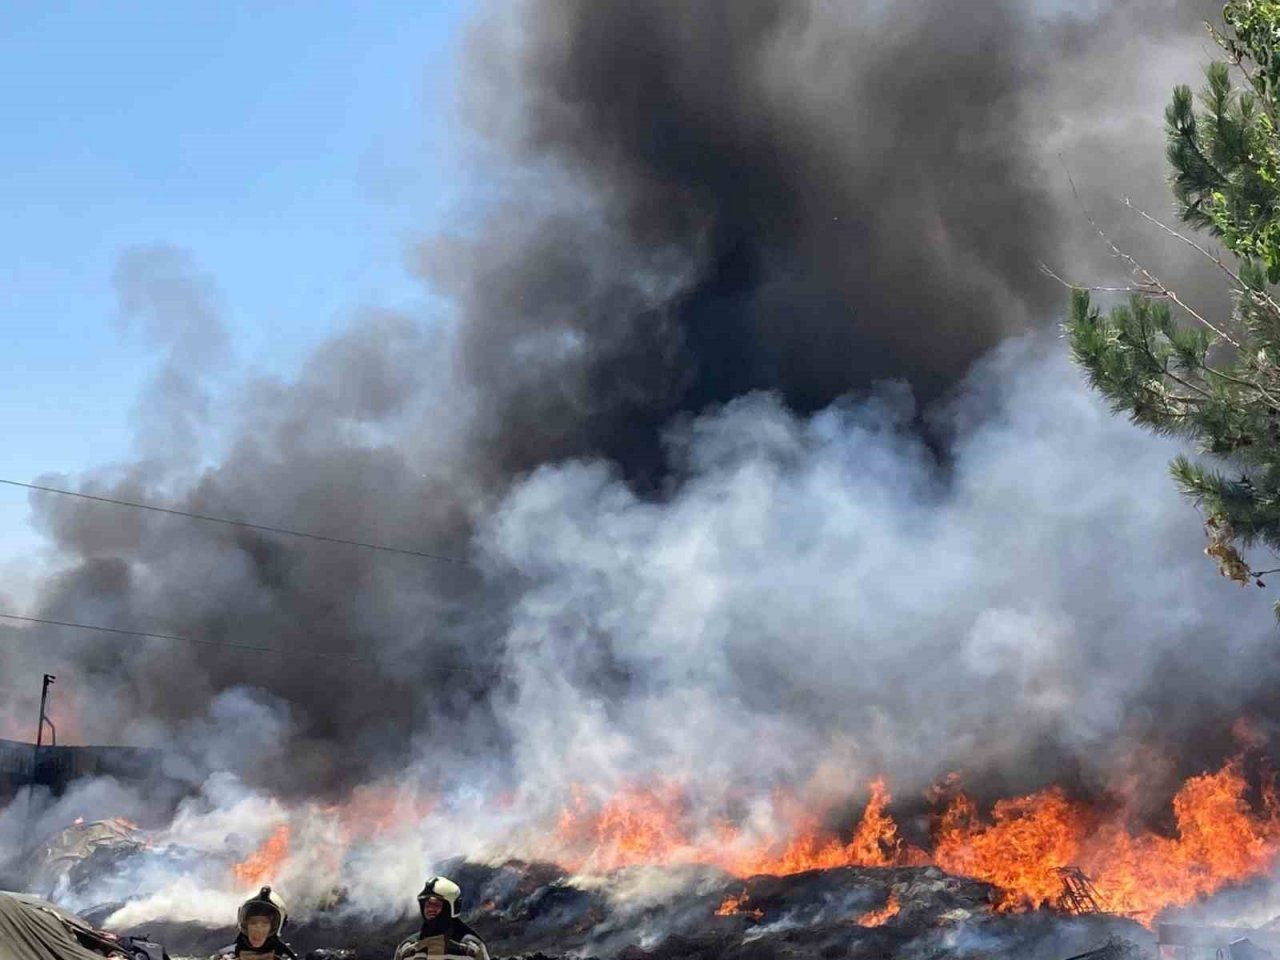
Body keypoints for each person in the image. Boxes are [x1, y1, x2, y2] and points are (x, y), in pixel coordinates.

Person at [394, 876, 489, 960]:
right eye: (427, 904)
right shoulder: (407, 949)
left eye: (436, 904)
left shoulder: (471, 949)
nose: (430, 908)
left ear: (450, 907)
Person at [230, 887, 296, 960]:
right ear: (245, 925)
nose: (258, 929)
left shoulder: (288, 958)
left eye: (264, 924)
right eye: (253, 923)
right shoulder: (226, 957)